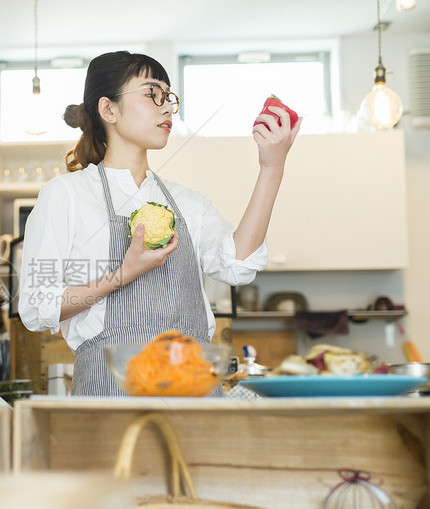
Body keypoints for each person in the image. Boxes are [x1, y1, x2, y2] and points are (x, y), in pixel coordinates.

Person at [18, 51, 301, 396]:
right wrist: (122, 275)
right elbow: (36, 306)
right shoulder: (67, 196)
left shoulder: (188, 202)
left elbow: (238, 264)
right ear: (109, 110)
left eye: (168, 96)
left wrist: (272, 168)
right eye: (152, 94)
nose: (167, 107)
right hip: (109, 395)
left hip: (194, 395)